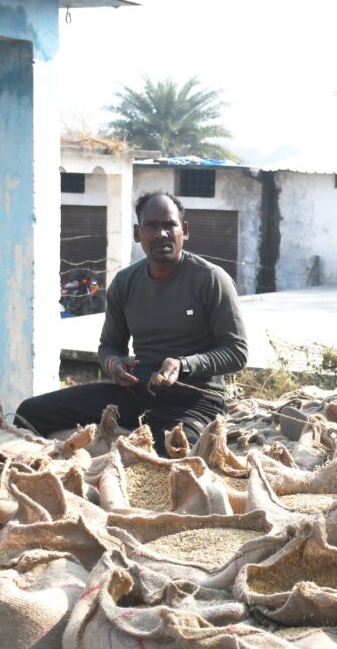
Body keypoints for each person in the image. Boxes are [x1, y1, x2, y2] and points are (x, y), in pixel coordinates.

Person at [15, 191, 247, 454]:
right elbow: (109, 345)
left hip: (196, 401)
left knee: (168, 453)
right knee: (29, 413)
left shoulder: (211, 279)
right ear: (138, 233)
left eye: (169, 225)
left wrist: (184, 365)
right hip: (136, 395)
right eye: (151, 226)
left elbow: (237, 352)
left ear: (185, 230)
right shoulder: (125, 283)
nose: (160, 234)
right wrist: (113, 363)